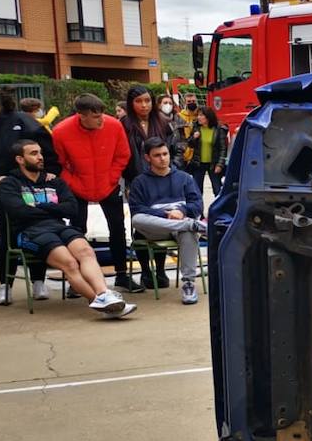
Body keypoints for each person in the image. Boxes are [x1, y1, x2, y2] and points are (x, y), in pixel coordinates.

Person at [0, 140, 135, 317]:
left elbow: (71, 209)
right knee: (69, 262)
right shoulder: (10, 183)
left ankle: (105, 295)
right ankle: (99, 302)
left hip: (59, 226)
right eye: (33, 153)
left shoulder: (54, 182)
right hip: (30, 231)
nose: (40, 157)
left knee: (86, 251)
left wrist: (38, 206)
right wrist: (52, 208)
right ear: (20, 159)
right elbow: (18, 211)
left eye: (40, 152)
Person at [0, 87, 60, 305]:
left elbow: (48, 153)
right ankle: (5, 285)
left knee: (39, 232)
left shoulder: (27, 122)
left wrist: (48, 175)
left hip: (34, 190)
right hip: (2, 193)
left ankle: (39, 281)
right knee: (5, 238)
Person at [52, 93, 135, 295]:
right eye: (95, 117)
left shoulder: (114, 126)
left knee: (118, 228)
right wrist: (73, 183)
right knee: (77, 231)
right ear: (81, 115)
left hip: (108, 184)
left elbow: (123, 155)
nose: (101, 120)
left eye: (102, 115)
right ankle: (77, 281)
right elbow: (58, 164)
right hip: (77, 187)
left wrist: (112, 178)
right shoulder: (61, 131)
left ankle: (122, 274)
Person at [129, 137, 204, 305]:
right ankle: (190, 225)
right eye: (157, 155)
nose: (163, 158)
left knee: (188, 232)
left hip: (180, 226)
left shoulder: (185, 178)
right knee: (137, 220)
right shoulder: (139, 182)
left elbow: (198, 205)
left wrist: (182, 211)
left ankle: (189, 284)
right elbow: (137, 209)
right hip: (157, 227)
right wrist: (166, 214)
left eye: (165, 154)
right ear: (147, 158)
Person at [121, 85, 175, 290]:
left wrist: (172, 173)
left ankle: (160, 270)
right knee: (141, 224)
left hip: (163, 180)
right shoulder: (124, 125)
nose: (144, 105)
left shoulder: (163, 122)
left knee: (161, 220)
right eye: (138, 101)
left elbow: (175, 149)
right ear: (131, 103)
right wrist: (128, 182)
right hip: (136, 182)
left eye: (147, 101)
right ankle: (145, 271)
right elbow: (123, 156)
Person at [185, 107, 228, 194]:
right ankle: (197, 207)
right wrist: (194, 137)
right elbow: (189, 144)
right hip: (198, 163)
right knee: (196, 190)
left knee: (217, 190)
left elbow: (223, 148)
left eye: (201, 115)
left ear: (208, 117)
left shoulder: (218, 129)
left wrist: (220, 164)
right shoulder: (196, 128)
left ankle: (219, 207)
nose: (199, 117)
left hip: (213, 163)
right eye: (198, 115)